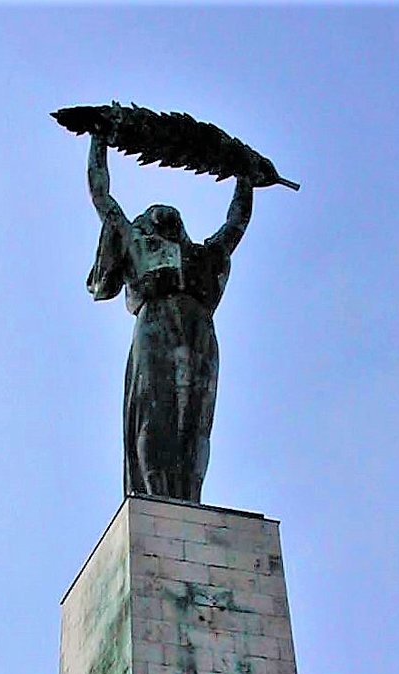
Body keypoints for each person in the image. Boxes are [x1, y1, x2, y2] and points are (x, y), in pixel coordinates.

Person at [86, 134, 253, 503]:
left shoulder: (203, 256)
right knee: (154, 411)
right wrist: (99, 139)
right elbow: (103, 198)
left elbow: (235, 225)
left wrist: (246, 177)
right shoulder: (137, 243)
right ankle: (155, 495)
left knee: (194, 420)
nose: (161, 212)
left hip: (198, 334)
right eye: (151, 213)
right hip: (155, 326)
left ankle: (188, 497)